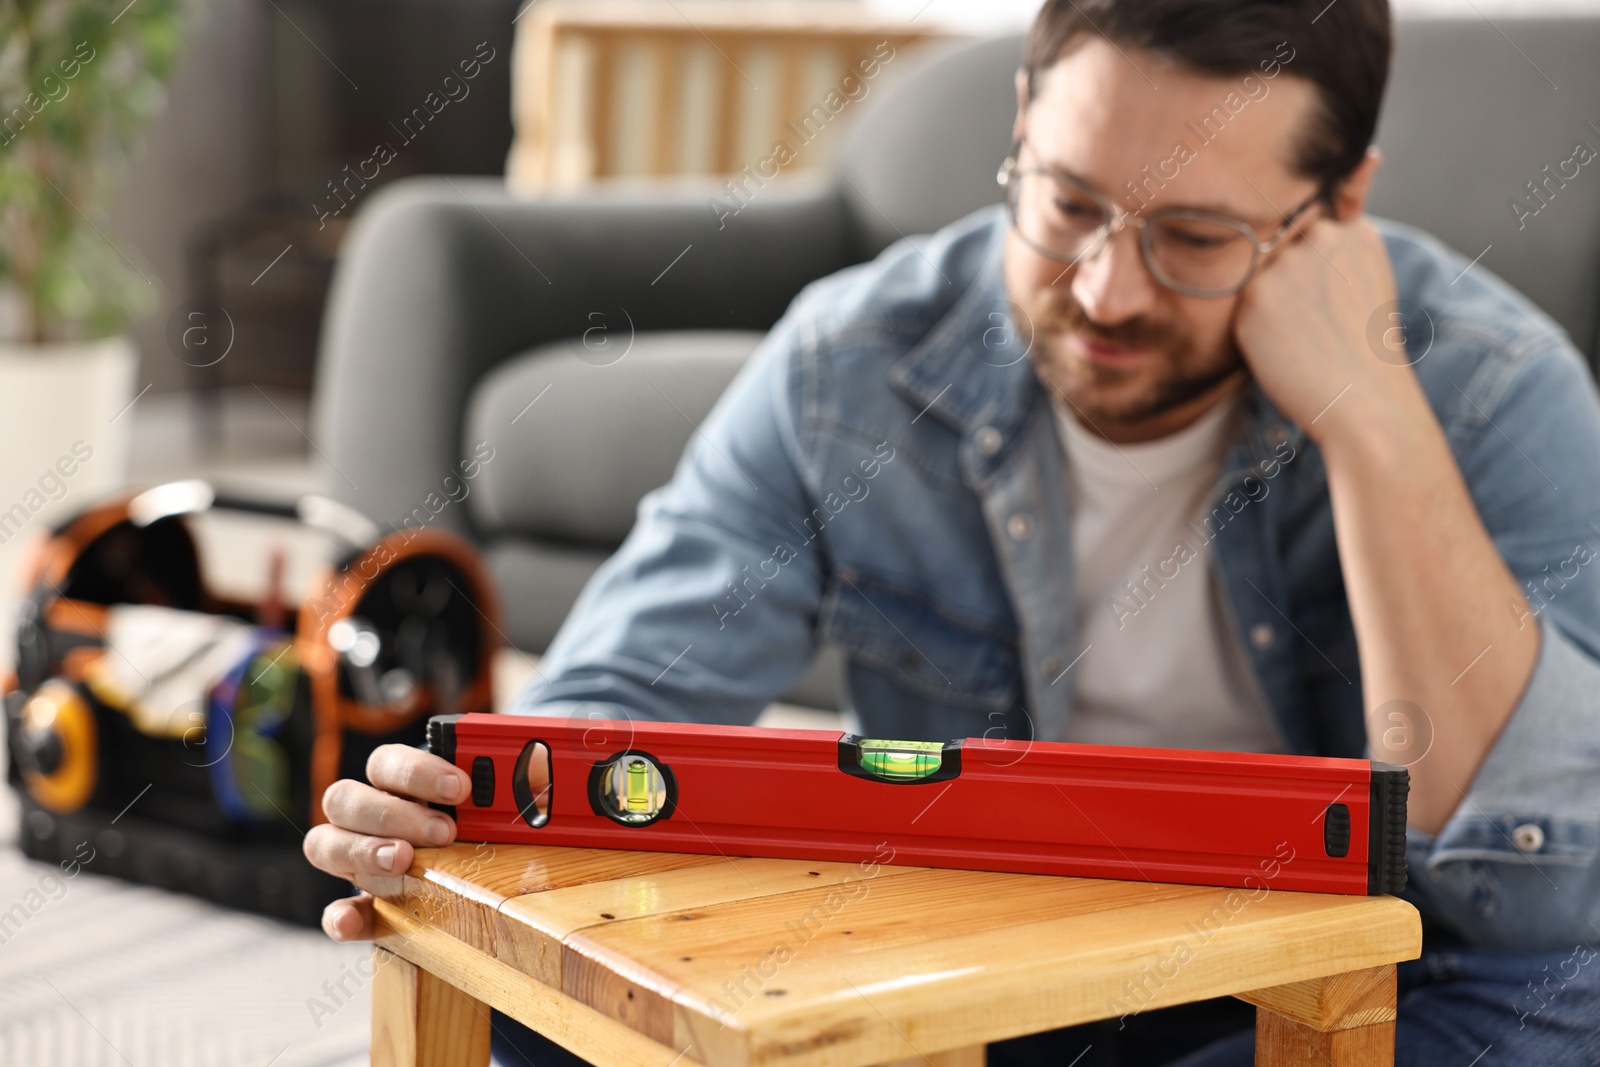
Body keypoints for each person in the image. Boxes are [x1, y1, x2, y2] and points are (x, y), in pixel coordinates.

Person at [303, 0, 1600, 1062]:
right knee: (535, 1003)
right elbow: (610, 712)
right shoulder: (850, 362)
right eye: (1071, 204)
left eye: (1197, 237)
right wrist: (458, 809)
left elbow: (1531, 889)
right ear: (1023, 124)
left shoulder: (1492, 384)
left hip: (1364, 973)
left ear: (1339, 206)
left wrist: (1374, 425)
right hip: (991, 965)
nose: (1109, 290)